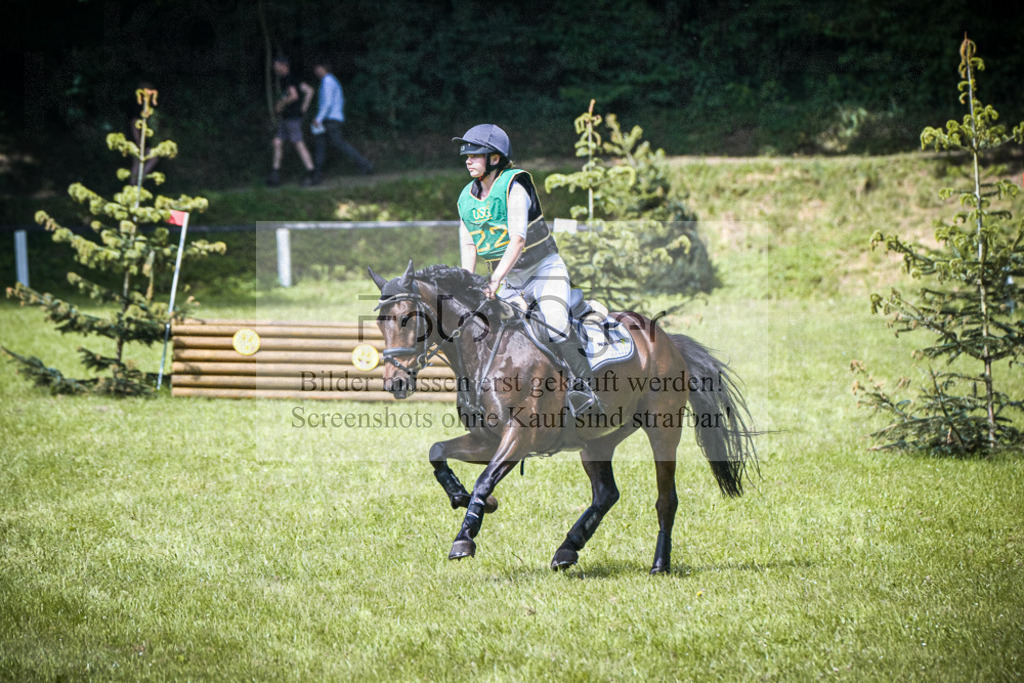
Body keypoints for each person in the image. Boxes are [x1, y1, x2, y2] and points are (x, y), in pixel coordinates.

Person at [453, 124, 601, 416]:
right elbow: (469, 246)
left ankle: (587, 389)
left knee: (555, 323)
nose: (467, 159)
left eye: (475, 154)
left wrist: (495, 280)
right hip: (506, 279)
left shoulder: (514, 185)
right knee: (491, 331)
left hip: (542, 269)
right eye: (465, 155)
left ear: (494, 158)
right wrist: (466, 284)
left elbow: (518, 240)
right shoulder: (465, 198)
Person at [310, 60, 373, 182]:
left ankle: (364, 164)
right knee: (322, 144)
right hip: (330, 118)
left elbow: (327, 103)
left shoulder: (328, 81)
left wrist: (318, 118)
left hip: (330, 119)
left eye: (317, 68)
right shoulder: (330, 81)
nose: (315, 71)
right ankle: (317, 173)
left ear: (324, 68)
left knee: (335, 144)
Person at [266, 57, 316, 187]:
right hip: (287, 117)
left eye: (277, 65)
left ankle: (312, 173)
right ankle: (275, 174)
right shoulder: (293, 78)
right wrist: (303, 109)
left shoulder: (288, 79)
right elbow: (310, 91)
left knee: (298, 144)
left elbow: (294, 96)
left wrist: (281, 104)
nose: (275, 68)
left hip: (292, 118)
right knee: (277, 142)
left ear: (284, 66)